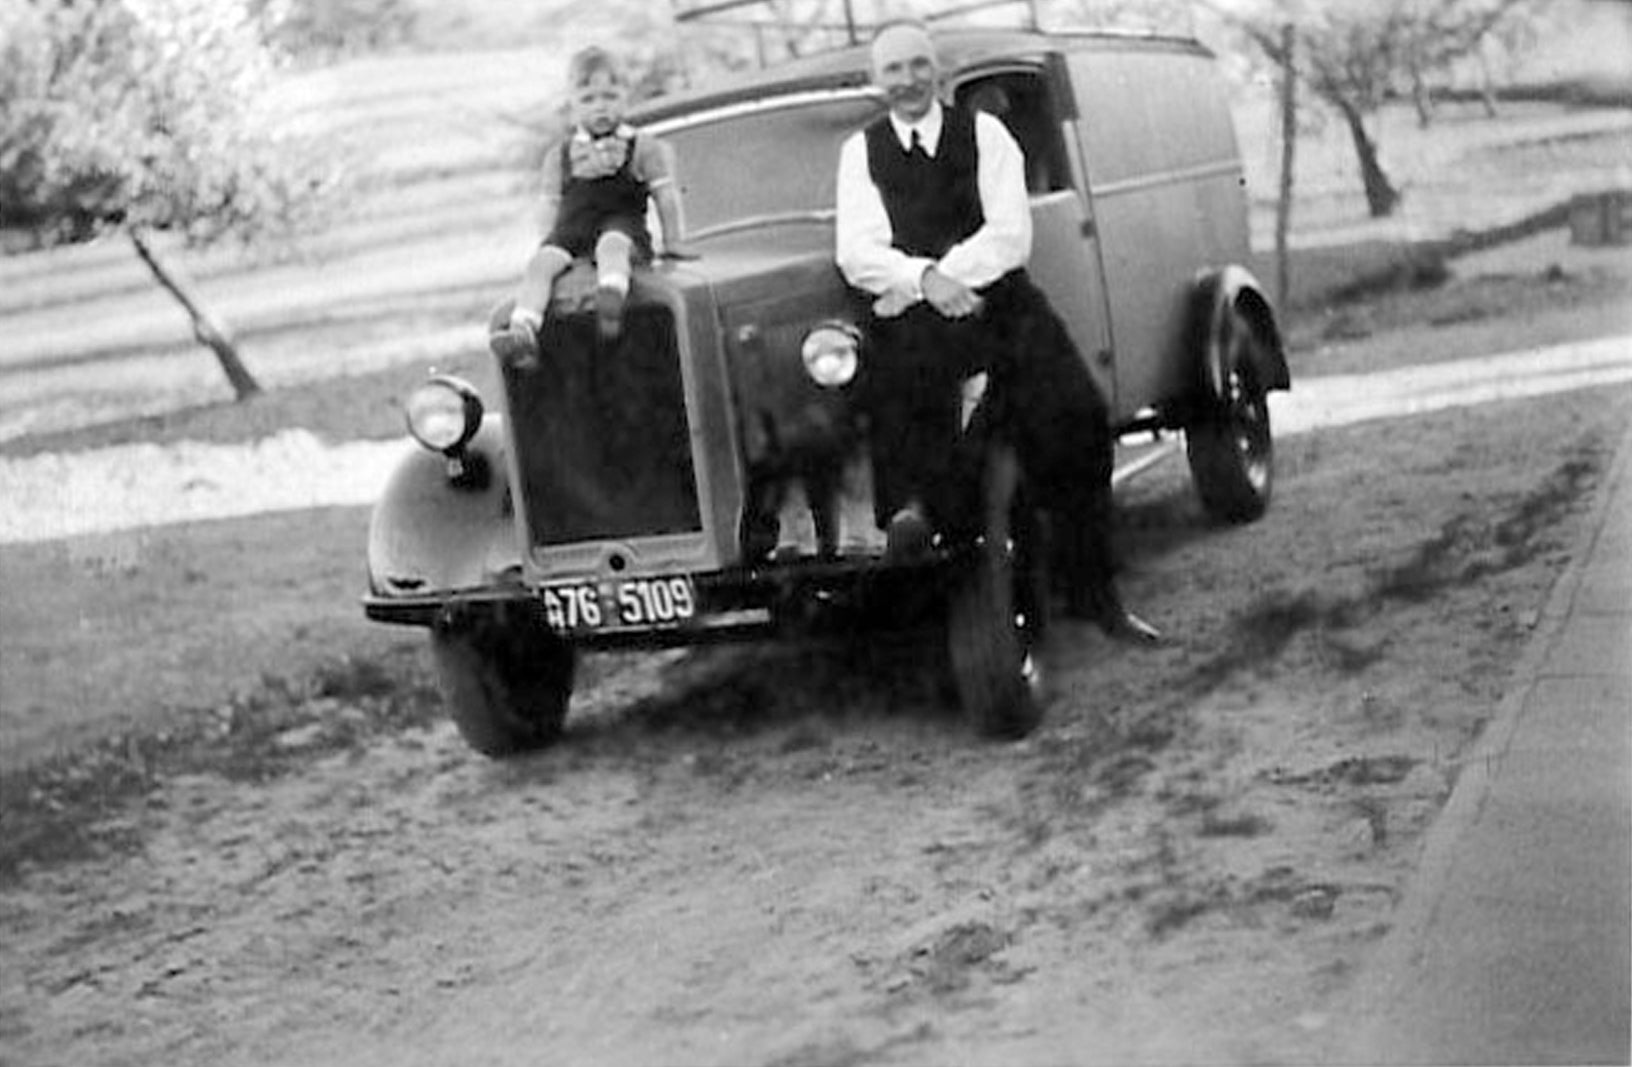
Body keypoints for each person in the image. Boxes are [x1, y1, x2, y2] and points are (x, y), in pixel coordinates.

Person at [834, 21, 1159, 643]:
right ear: (877, 81)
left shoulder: (985, 133)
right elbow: (857, 252)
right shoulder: (861, 153)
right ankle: (958, 587)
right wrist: (926, 282)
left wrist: (942, 278)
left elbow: (1010, 234)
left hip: (999, 303)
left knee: (1079, 416)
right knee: (927, 432)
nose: (907, 81)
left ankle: (1095, 593)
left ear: (938, 71)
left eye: (917, 66)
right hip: (917, 316)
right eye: (893, 70)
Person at [492, 46, 693, 365]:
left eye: (609, 97)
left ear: (625, 98)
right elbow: (549, 205)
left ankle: (611, 295)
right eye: (588, 99)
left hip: (621, 227)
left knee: (611, 246)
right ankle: (523, 330)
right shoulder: (560, 156)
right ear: (572, 105)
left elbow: (666, 195)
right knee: (540, 266)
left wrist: (673, 241)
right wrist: (547, 242)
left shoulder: (641, 146)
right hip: (572, 232)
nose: (600, 107)